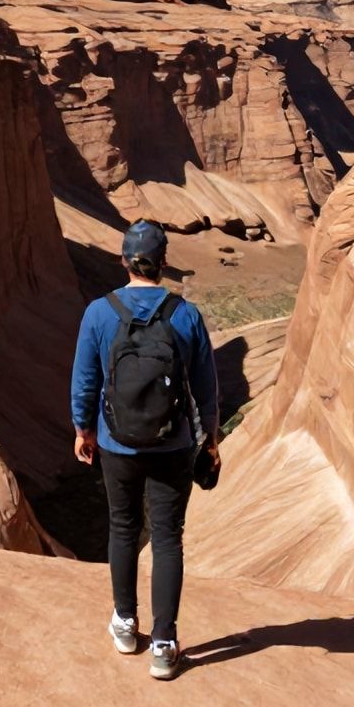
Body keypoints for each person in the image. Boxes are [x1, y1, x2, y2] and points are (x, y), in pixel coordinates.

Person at [70, 219, 219, 681]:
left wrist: (83, 430)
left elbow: (85, 381)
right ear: (164, 263)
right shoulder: (186, 314)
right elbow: (207, 387)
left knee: (123, 526)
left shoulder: (99, 312)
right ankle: (164, 644)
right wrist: (210, 438)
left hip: (116, 441)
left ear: (124, 261)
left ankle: (124, 623)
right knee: (168, 536)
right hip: (174, 444)